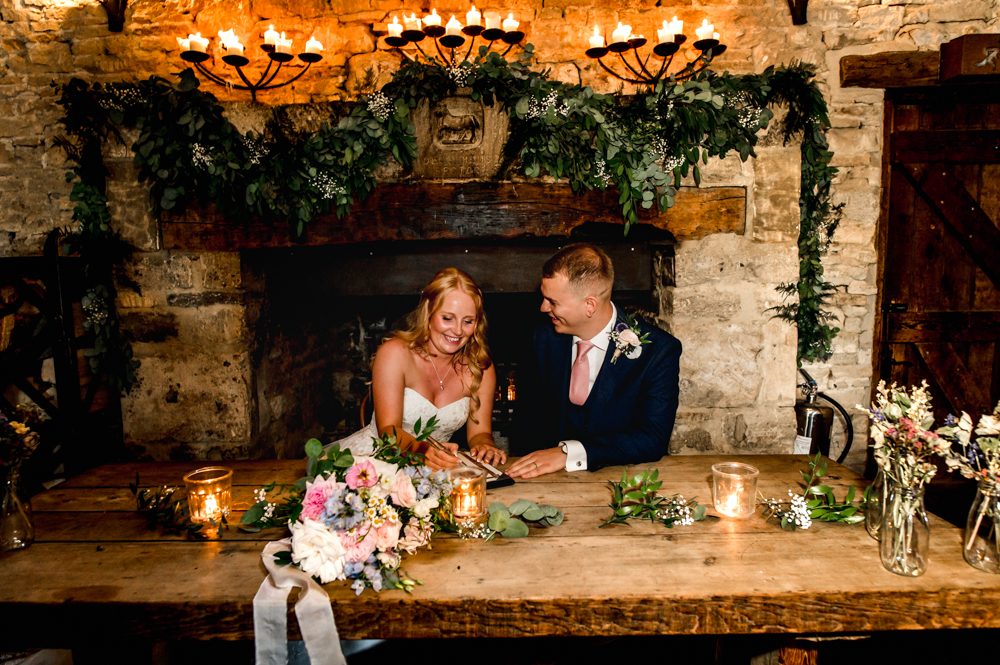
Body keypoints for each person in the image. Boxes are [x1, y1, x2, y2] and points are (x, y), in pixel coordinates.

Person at [507, 243, 681, 479]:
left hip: (619, 479)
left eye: (553, 301)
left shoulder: (658, 352)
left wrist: (568, 453)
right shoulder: (543, 337)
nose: (543, 307)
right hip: (545, 481)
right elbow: (526, 419)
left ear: (590, 305)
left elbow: (652, 438)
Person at [331, 268, 507, 470]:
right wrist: (421, 450)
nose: (458, 331)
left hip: (435, 472)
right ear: (429, 313)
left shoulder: (481, 368)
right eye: (447, 318)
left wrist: (485, 445)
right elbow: (388, 430)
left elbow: (479, 432)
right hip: (371, 463)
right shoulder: (394, 354)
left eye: (468, 321)